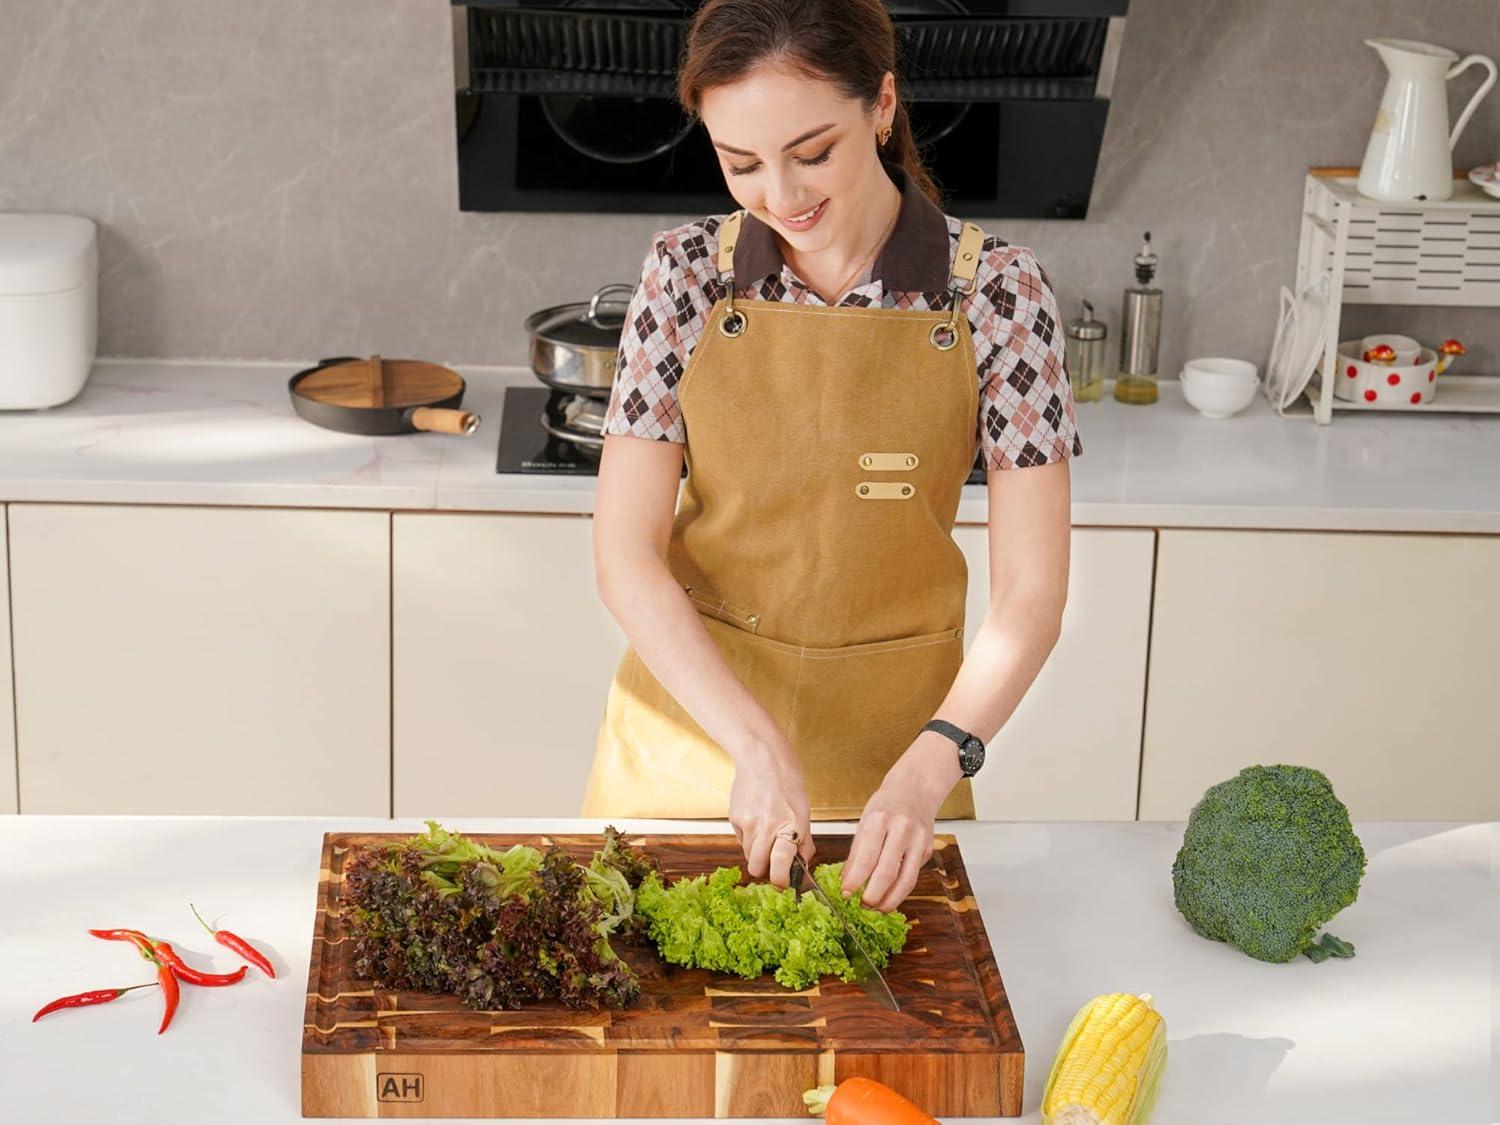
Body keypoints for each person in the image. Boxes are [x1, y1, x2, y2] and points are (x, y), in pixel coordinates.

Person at [580, 0, 1080, 914]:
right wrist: (756, 745)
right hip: (690, 748)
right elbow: (624, 558)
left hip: (903, 769)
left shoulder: (1000, 293)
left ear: (882, 106)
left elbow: (1030, 600)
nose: (781, 193)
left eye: (813, 152)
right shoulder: (685, 274)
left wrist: (939, 760)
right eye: (742, 163)